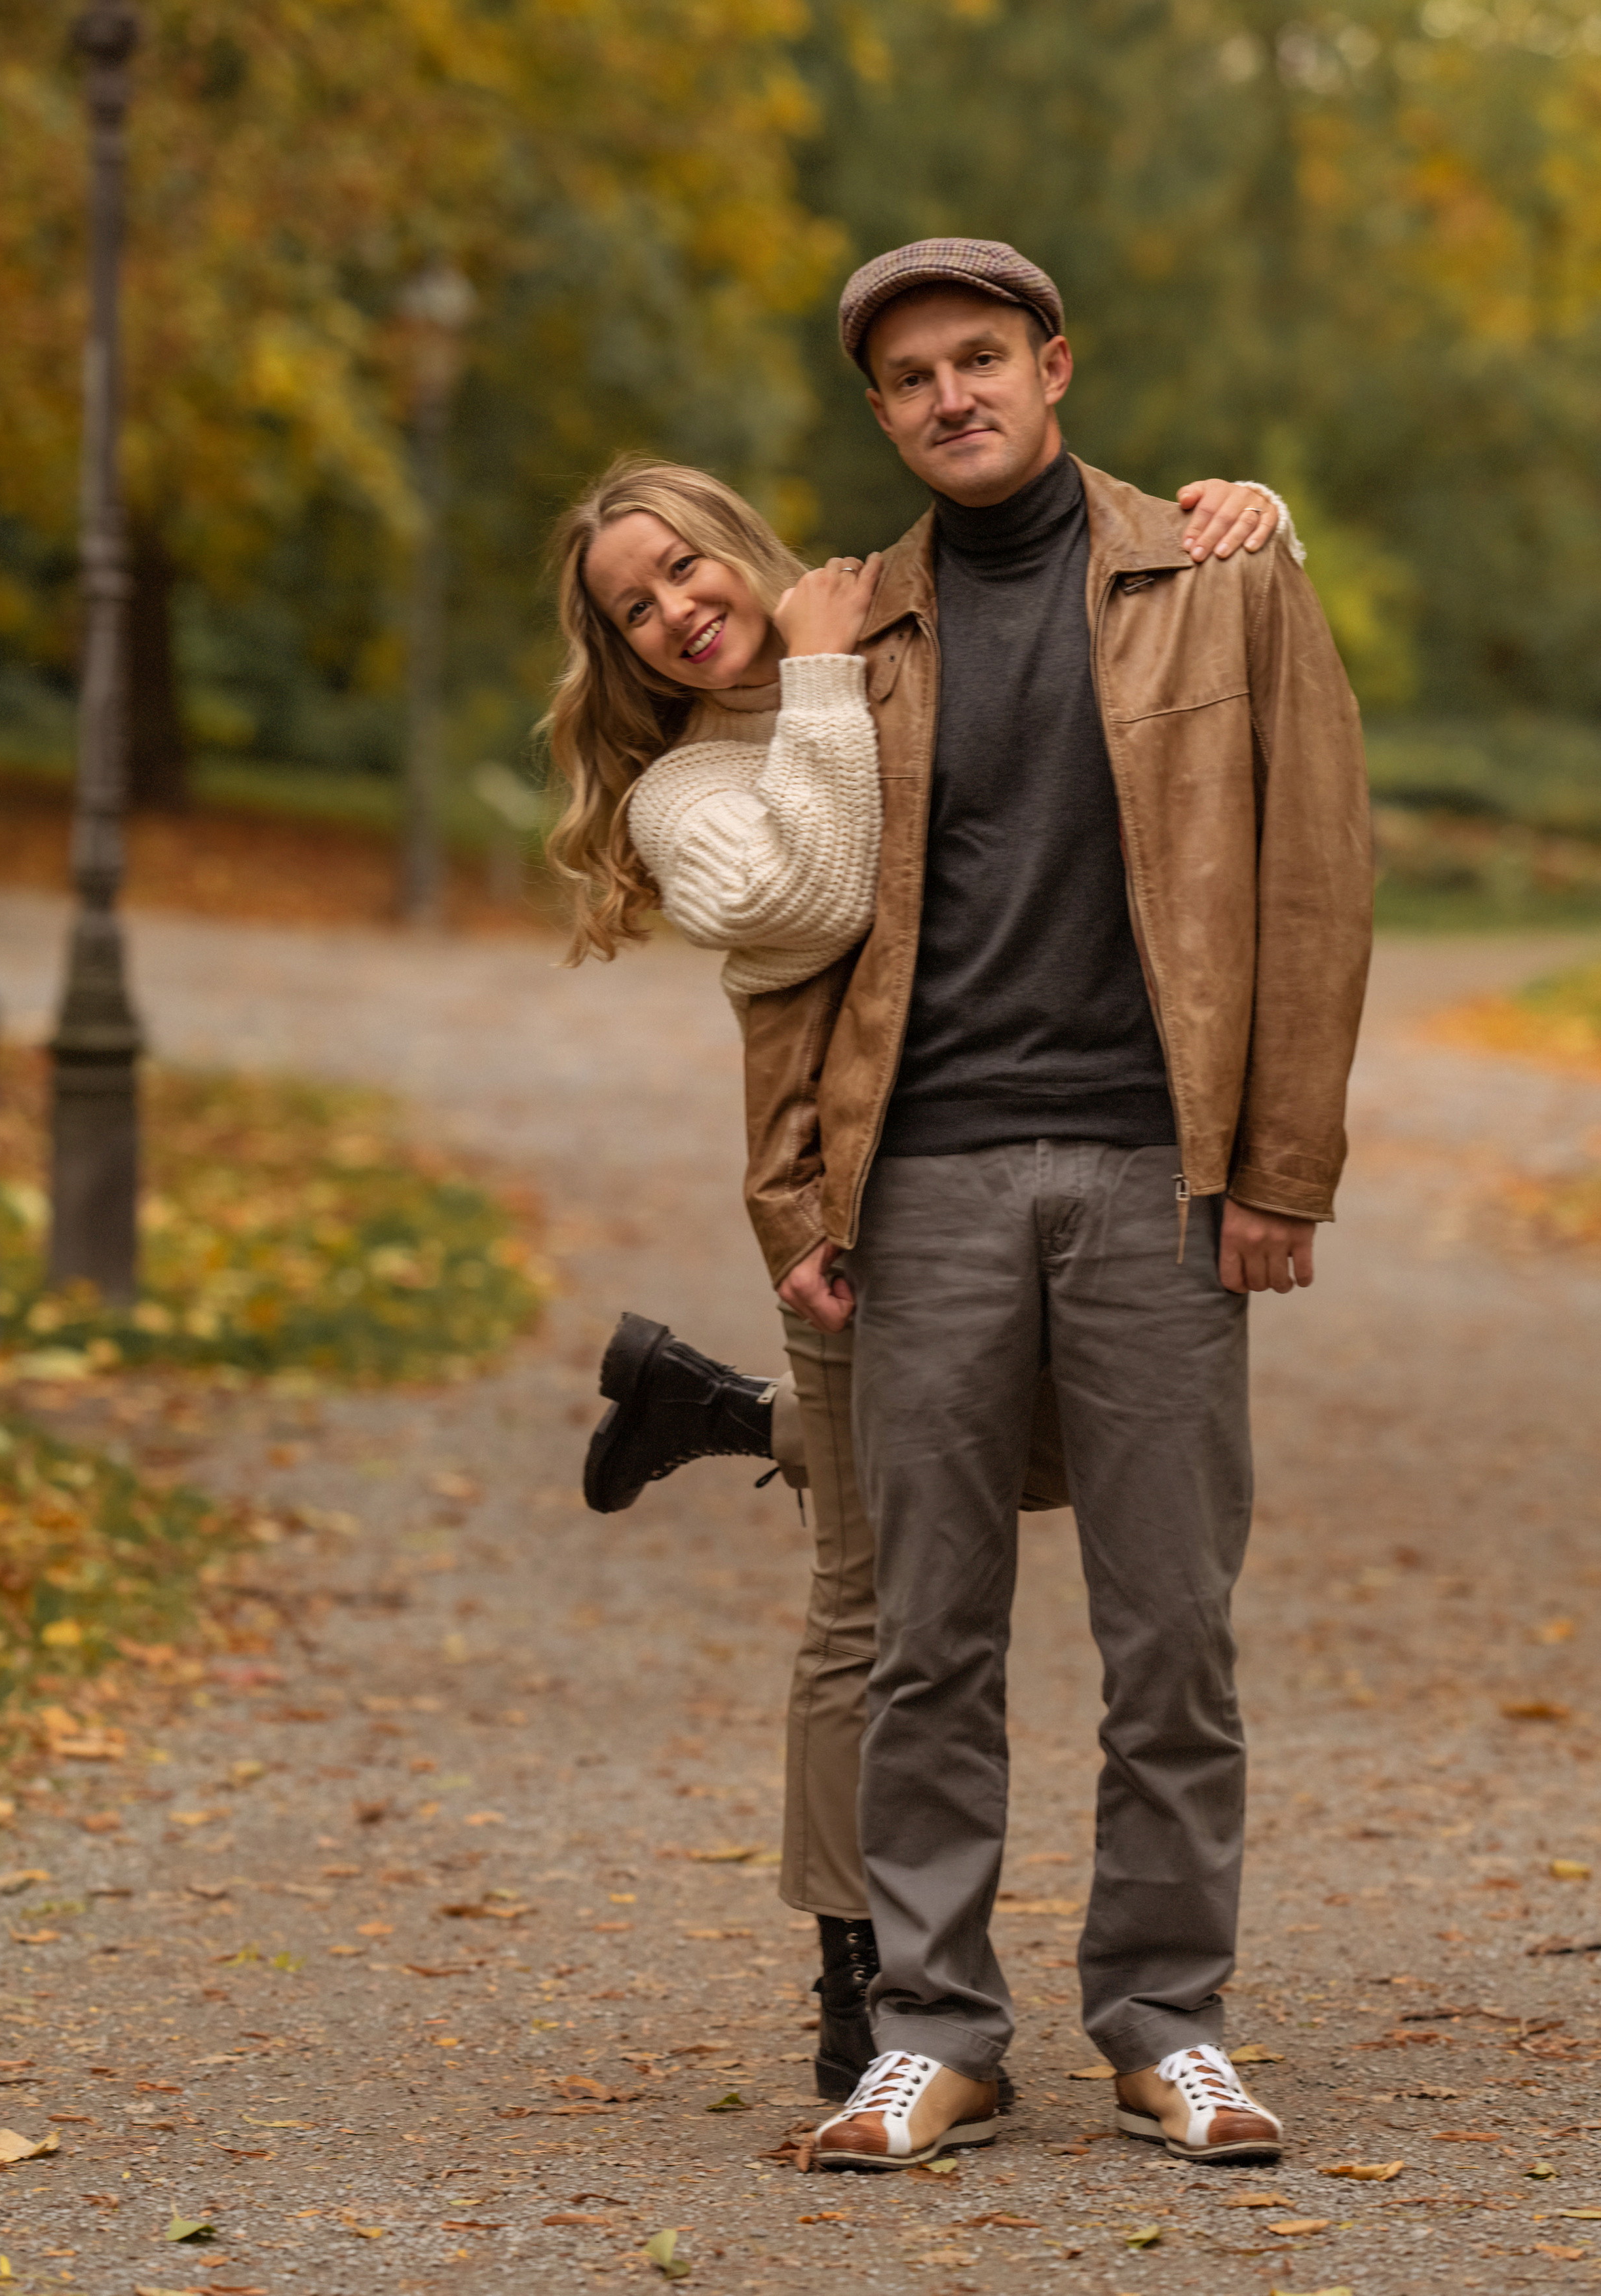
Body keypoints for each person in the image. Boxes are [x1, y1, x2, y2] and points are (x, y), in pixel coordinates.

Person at [715, 239, 1376, 2172]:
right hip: (921, 1177)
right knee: (931, 1626)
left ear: (1054, 365)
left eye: (980, 358)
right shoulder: (848, 631)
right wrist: (796, 1200)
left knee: (1173, 1625)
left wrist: (1280, 1167)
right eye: (911, 378)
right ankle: (933, 2029)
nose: (951, 396)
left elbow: (1317, 880)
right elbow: (788, 946)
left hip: (1154, 1171)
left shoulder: (1220, 574)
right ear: (883, 413)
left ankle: (1170, 2022)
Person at [542, 444, 1295, 2099]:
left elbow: (1087, 676)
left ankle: (709, 1409)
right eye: (633, 604)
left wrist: (1244, 526)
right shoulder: (700, 775)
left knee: (1050, 1557)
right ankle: (865, 1964)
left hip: (1025, 1166)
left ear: (745, 544)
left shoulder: (890, 632)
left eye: (686, 567)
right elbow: (814, 900)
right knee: (878, 1605)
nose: (676, 610)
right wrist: (812, 674)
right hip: (849, 1204)